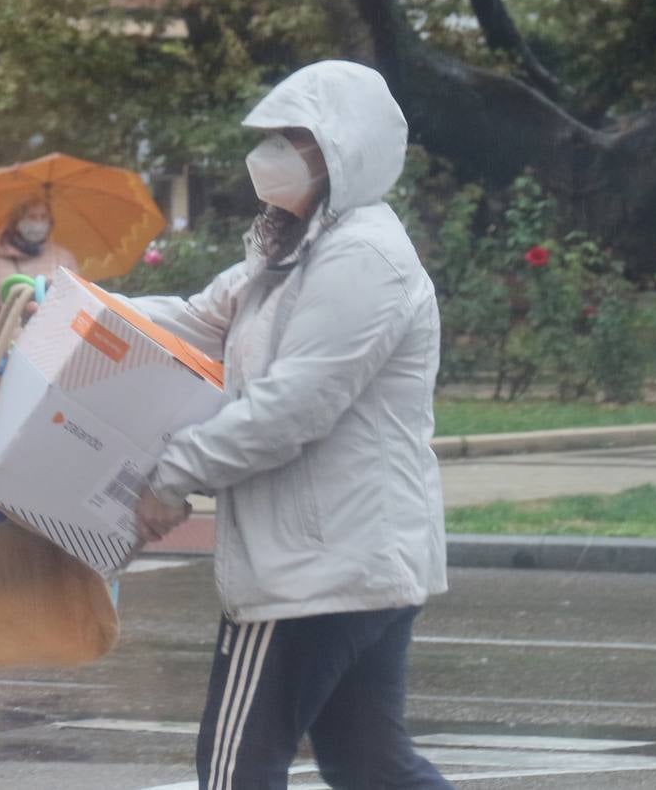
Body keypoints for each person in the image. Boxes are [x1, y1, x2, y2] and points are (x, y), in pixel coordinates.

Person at [130, 60, 452, 789]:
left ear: (345, 149)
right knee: (371, 764)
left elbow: (292, 407)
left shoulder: (363, 258)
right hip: (344, 558)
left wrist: (173, 475)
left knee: (234, 771)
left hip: (312, 565)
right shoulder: (288, 249)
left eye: (293, 140)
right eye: (273, 137)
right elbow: (191, 322)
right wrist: (69, 309)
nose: (271, 156)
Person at [0, 197, 78, 341]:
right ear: (17, 222)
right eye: (32, 217)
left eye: (43, 217)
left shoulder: (64, 258)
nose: (38, 223)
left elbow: (76, 307)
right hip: (9, 353)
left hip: (52, 348)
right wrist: (7, 342)